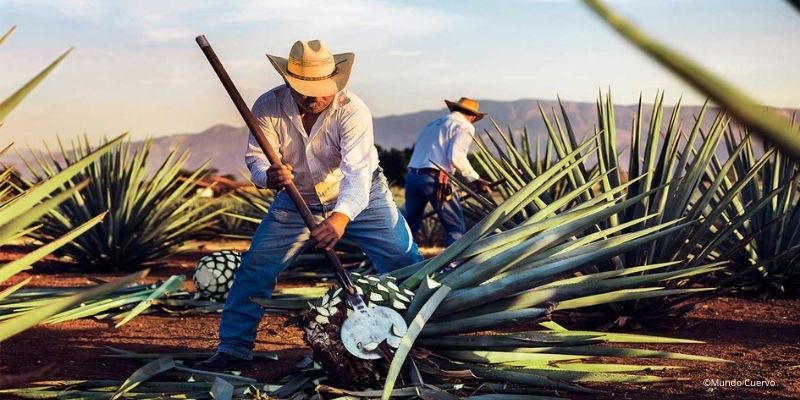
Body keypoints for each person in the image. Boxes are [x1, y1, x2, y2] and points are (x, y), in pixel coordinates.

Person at [195, 40, 423, 371]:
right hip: (295, 197)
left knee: (406, 262)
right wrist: (267, 176)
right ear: (290, 83)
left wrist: (341, 219)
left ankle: (426, 338)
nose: (313, 96)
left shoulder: (352, 110)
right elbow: (257, 158)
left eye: (320, 89)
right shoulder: (268, 106)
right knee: (257, 267)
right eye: (304, 88)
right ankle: (233, 348)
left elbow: (357, 175)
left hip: (362, 197)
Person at [404, 97, 494, 245]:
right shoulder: (464, 126)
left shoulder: (432, 125)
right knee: (455, 228)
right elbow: (456, 157)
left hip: (413, 177)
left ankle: (400, 265)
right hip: (436, 180)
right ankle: (453, 266)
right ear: (472, 116)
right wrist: (476, 179)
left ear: (454, 109)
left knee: (409, 226)